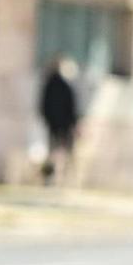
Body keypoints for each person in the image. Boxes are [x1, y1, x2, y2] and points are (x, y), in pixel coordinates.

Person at [38, 57, 79, 185]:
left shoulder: (50, 85)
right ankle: (60, 178)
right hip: (62, 125)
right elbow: (71, 107)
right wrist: (72, 123)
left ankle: (53, 178)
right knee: (62, 152)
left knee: (53, 152)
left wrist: (48, 119)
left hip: (54, 124)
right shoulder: (64, 86)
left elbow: (43, 105)